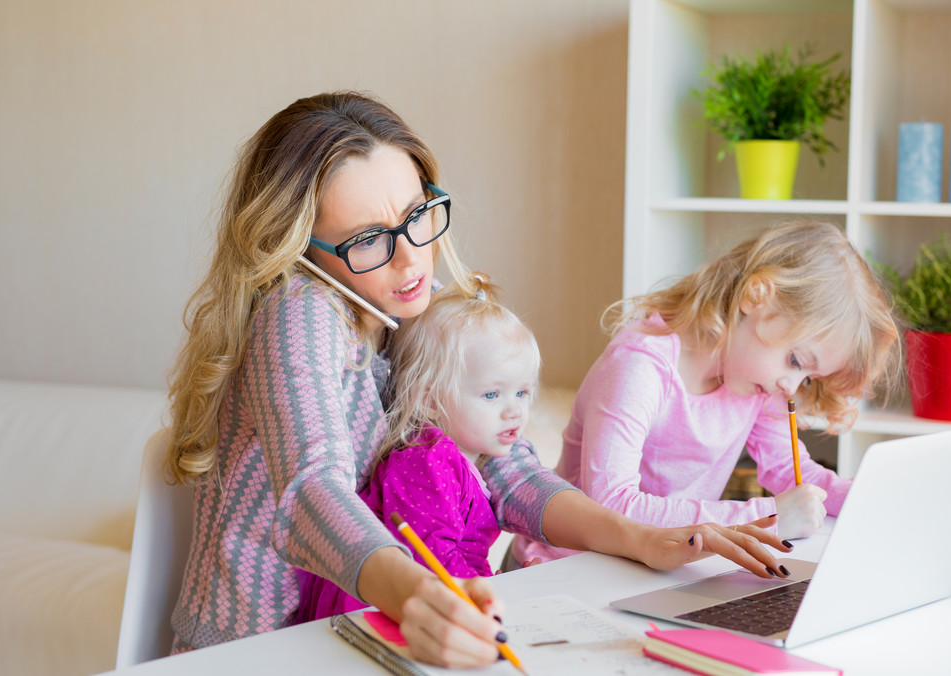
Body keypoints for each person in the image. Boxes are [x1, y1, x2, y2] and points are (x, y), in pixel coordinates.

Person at [164, 90, 791, 669]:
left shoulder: (410, 302)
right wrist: (415, 596)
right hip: (259, 649)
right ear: (302, 251)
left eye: (417, 217)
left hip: (350, 631)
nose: (411, 260)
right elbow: (311, 490)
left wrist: (644, 538)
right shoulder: (298, 310)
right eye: (367, 242)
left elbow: (508, 469)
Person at [511, 222, 901, 567]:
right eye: (796, 360)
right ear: (756, 297)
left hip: (659, 564)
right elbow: (611, 506)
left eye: (809, 378)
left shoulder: (754, 381)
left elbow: (793, 472)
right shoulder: (642, 365)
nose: (792, 387)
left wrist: (869, 497)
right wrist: (765, 516)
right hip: (564, 566)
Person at [295, 275, 544, 622]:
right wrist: (494, 594)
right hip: (370, 614)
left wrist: (498, 586)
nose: (514, 410)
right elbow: (435, 561)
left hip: (430, 602)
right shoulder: (427, 460)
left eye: (522, 393)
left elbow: (463, 558)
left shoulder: (464, 460)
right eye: (492, 394)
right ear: (427, 399)